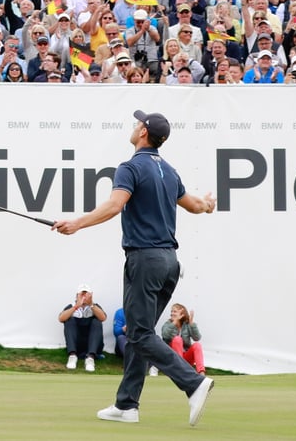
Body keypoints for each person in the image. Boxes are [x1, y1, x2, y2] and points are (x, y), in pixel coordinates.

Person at [53, 110, 216, 426]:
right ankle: (127, 404)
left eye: (137, 123)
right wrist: (209, 204)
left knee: (139, 334)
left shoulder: (129, 167)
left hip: (144, 259)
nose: (134, 125)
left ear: (143, 132)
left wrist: (76, 223)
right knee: (141, 332)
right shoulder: (168, 171)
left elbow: (115, 205)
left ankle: (193, 383)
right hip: (169, 262)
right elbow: (196, 206)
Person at [58, 284, 106, 372]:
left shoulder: (95, 306)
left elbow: (103, 318)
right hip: (77, 345)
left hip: (93, 345)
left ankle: (90, 358)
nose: (84, 297)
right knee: (69, 320)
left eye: (86, 294)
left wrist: (91, 304)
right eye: (81, 294)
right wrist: (76, 306)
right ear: (77, 296)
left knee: (96, 321)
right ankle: (72, 356)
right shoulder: (71, 306)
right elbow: (61, 318)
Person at [161, 303, 206, 374]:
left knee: (197, 345)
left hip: (185, 358)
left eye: (175, 311)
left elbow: (197, 338)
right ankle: (181, 370)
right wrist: (175, 322)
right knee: (177, 339)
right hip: (173, 358)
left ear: (182, 314)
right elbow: (165, 335)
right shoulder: (168, 324)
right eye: (171, 311)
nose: (172, 313)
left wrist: (192, 324)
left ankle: (201, 373)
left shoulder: (187, 325)